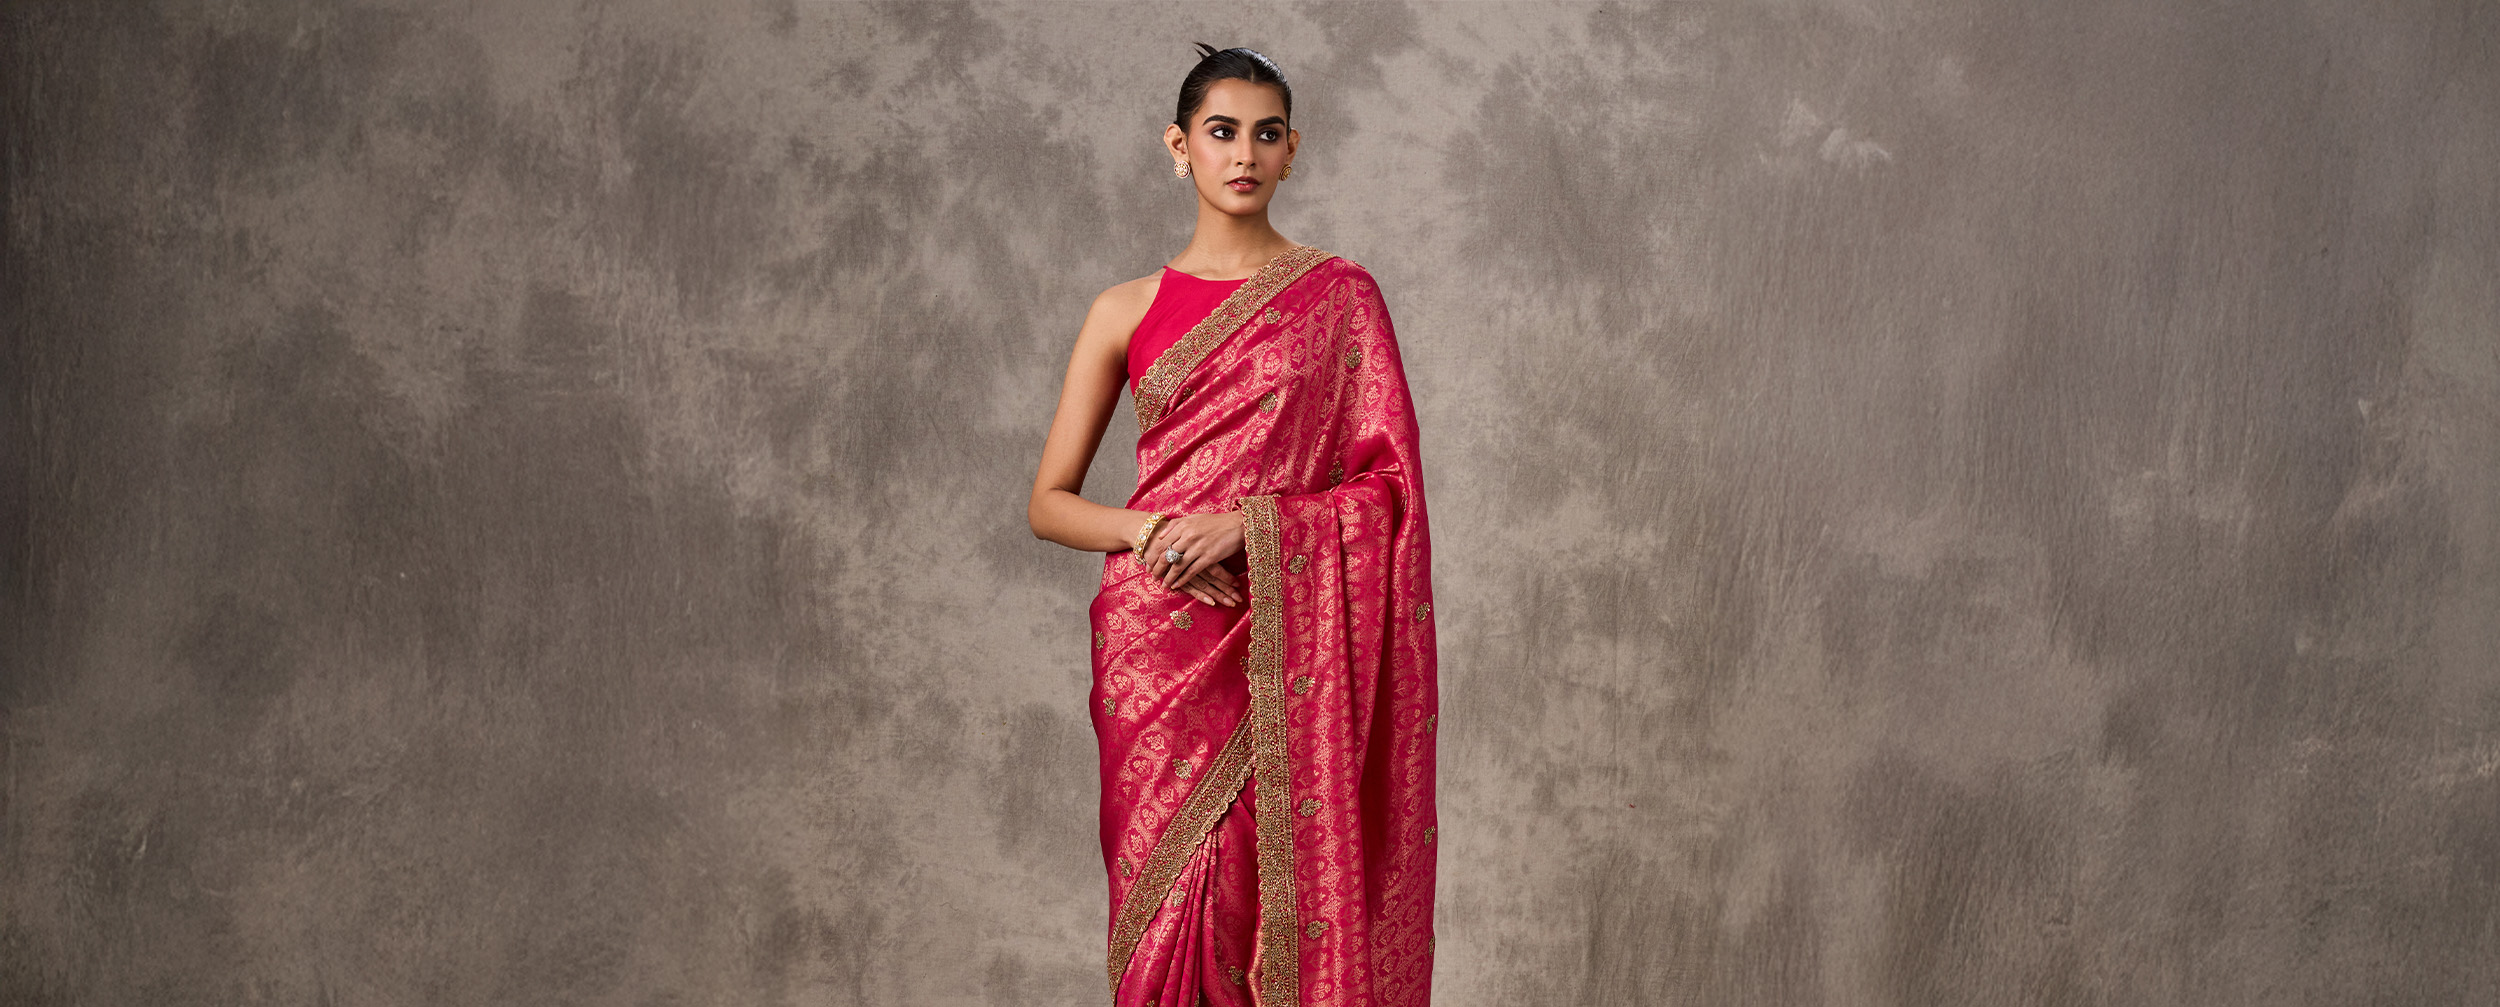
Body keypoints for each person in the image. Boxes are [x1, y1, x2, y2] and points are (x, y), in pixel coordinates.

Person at [1025, 44, 1439, 1007]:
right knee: (1165, 914)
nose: (1243, 152)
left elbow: (1389, 493)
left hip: (1286, 640)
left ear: (1293, 151)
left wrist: (1252, 529)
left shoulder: (1339, 298)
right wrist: (1156, 529)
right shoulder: (1125, 310)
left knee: (1263, 898)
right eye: (1221, 132)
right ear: (1180, 148)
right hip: (1158, 650)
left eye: (1265, 134)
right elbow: (1049, 501)